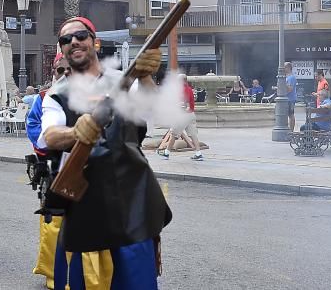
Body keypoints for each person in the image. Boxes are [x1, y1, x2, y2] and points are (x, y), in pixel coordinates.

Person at [38, 16, 170, 289]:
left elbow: (156, 110)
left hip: (132, 200)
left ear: (94, 41)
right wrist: (75, 133)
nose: (74, 41)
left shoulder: (125, 80)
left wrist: (145, 76)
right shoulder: (55, 95)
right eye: (66, 39)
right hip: (86, 205)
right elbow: (50, 136)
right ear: (61, 49)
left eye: (81, 36)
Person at [27, 54, 70, 290]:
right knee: (54, 223)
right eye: (59, 70)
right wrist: (52, 142)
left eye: (68, 69)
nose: (63, 74)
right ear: (53, 72)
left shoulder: (90, 95)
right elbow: (33, 125)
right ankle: (54, 273)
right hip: (53, 168)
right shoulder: (43, 98)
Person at [157, 74, 203, 161]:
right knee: (193, 135)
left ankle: (166, 153)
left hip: (183, 115)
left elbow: (183, 104)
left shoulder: (182, 90)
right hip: (191, 115)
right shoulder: (189, 89)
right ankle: (198, 153)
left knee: (174, 134)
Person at [284, 62, 298, 131]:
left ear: (288, 68)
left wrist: (283, 83)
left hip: (291, 99)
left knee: (291, 114)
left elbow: (290, 89)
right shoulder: (287, 77)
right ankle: (288, 129)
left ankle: (291, 130)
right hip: (287, 98)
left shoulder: (291, 77)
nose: (283, 69)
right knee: (288, 114)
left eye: (284, 67)